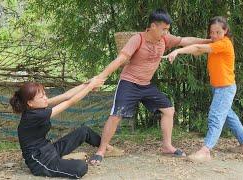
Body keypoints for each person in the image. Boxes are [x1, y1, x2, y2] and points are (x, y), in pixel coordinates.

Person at [89, 9, 211, 165]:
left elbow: (185, 40)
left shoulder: (164, 39)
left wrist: (209, 41)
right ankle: (101, 150)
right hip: (129, 83)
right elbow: (120, 60)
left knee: (168, 110)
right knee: (116, 115)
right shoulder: (137, 39)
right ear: (153, 26)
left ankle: (167, 146)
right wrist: (101, 77)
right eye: (164, 29)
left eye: (168, 29)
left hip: (146, 85)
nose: (166, 32)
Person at [166, 16, 243, 161]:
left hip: (225, 88)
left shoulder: (224, 44)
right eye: (211, 32)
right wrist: (174, 41)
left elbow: (198, 47)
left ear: (225, 31)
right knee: (228, 116)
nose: (214, 36)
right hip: (219, 87)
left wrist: (177, 52)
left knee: (215, 117)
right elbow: (195, 42)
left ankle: (206, 150)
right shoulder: (215, 42)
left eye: (218, 32)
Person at [10, 77, 111, 178]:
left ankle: (106, 147)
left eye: (45, 94)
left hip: (49, 149)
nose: (45, 98)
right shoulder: (34, 115)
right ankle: (65, 161)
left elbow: (66, 96)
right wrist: (90, 87)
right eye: (41, 97)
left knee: (84, 131)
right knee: (81, 167)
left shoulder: (36, 106)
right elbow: (70, 102)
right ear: (30, 103)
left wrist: (86, 84)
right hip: (40, 161)